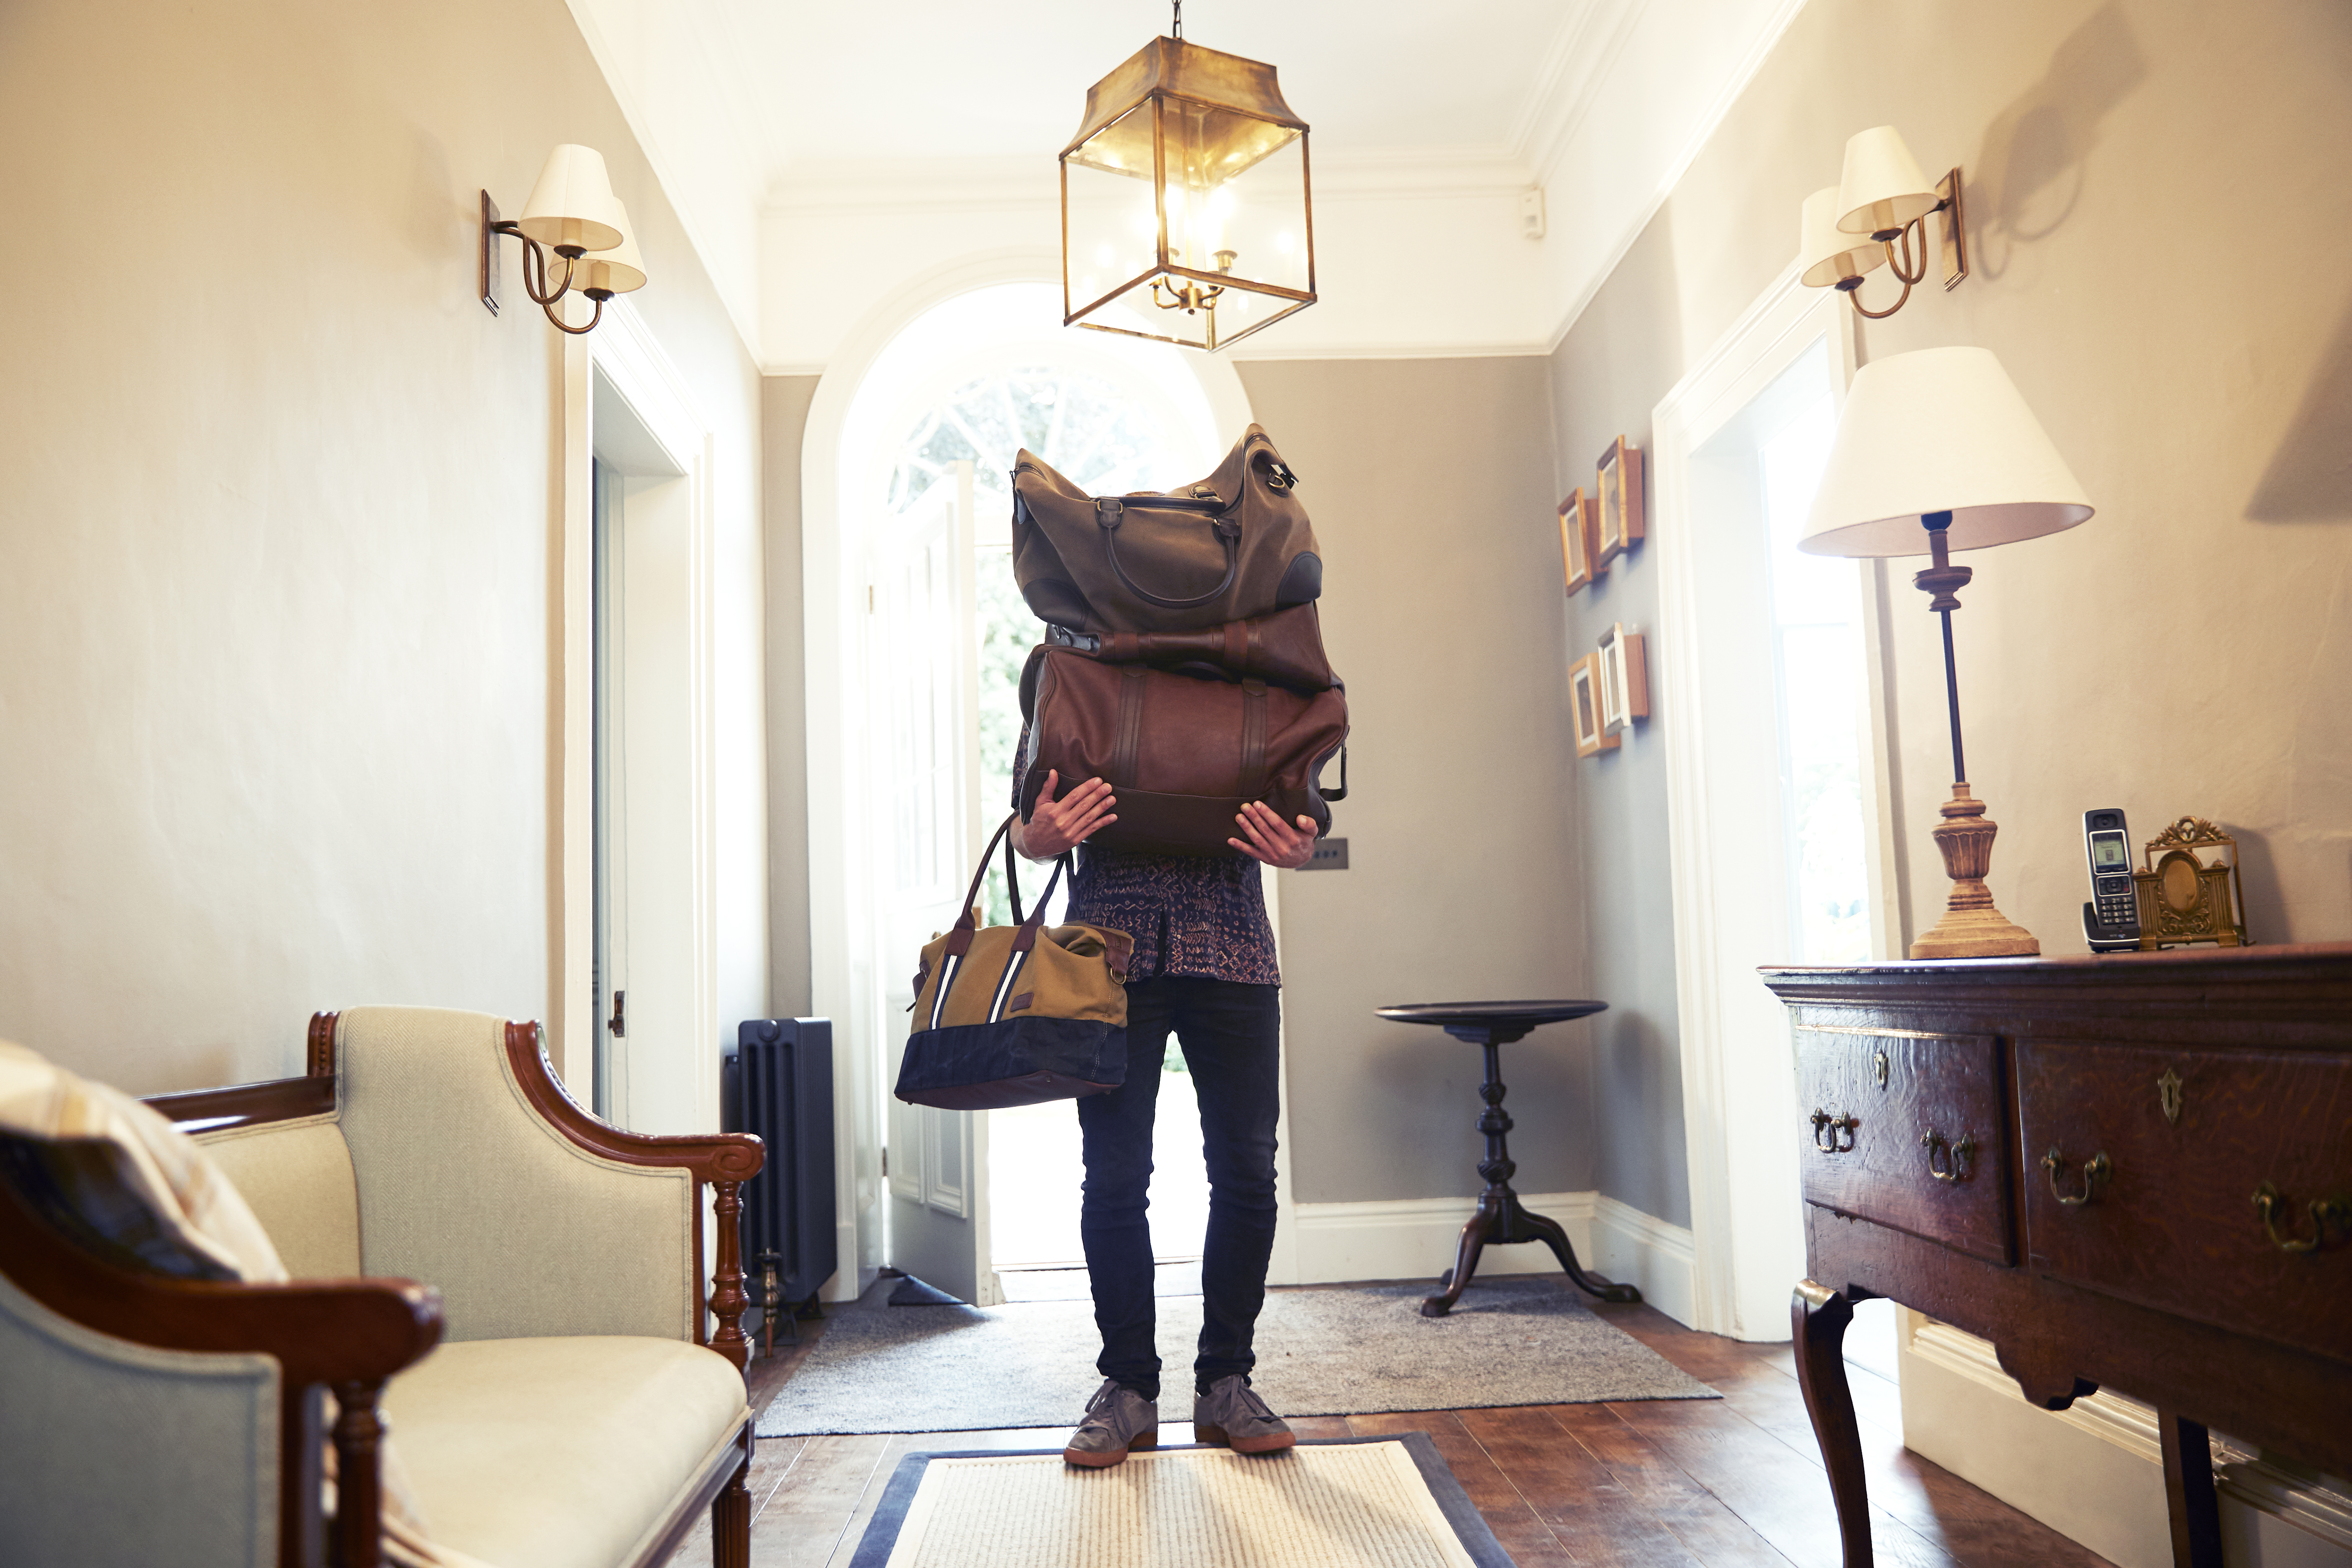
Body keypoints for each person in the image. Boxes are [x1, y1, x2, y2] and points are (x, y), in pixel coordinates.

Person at [1009, 761, 1317, 1468]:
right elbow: (1026, 821)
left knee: (1246, 1173)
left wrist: (1300, 842)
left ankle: (1225, 1381)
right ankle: (1126, 1387)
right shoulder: (1070, 665)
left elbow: (1303, 798)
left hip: (1232, 946)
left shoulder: (1252, 662)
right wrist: (1038, 834)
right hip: (1105, 957)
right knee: (1113, 1177)